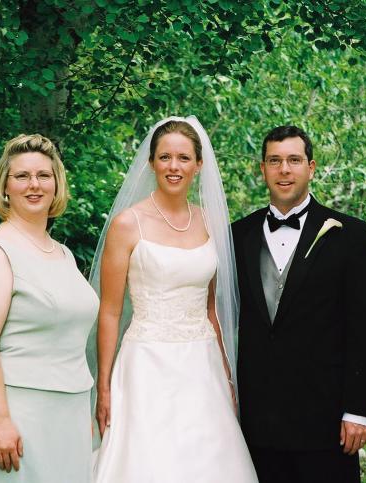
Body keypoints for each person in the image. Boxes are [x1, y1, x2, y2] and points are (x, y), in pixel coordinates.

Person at [90, 116, 258, 482]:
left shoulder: (211, 222)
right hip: (146, 363)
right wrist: (104, 386)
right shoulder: (127, 224)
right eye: (165, 157)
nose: (173, 166)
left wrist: (226, 374)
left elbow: (212, 306)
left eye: (183, 158)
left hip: (202, 364)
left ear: (199, 164)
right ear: (151, 163)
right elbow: (110, 311)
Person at [232, 125, 366, 482]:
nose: (284, 170)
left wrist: (358, 411)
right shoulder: (237, 235)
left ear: (311, 167)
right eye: (274, 161)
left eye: (293, 160)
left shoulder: (353, 237)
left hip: (325, 421)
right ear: (263, 169)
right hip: (257, 422)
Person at [0, 134, 99, 482]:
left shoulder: (63, 254)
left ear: (56, 185)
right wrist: (0, 420)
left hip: (69, 411)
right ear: (5, 187)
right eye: (22, 176)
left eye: (44, 175)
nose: (34, 185)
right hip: (18, 411)